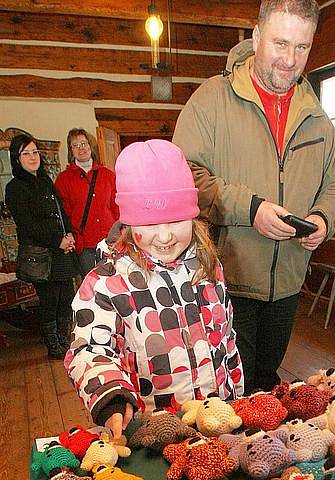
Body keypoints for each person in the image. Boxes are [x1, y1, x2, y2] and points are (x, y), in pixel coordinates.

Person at [173, 0, 335, 393]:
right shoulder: (210, 99)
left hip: (288, 282)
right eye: (280, 44)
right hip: (225, 278)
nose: (290, 60)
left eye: (302, 47)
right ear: (256, 38)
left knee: (266, 385)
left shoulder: (316, 114)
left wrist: (323, 218)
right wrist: (249, 209)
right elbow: (185, 176)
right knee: (226, 392)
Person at [65, 139, 244, 440]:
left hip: (218, 420)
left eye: (175, 220)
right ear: (130, 222)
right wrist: (112, 397)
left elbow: (226, 342)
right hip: (154, 431)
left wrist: (237, 399)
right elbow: (90, 351)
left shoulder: (209, 268)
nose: (164, 236)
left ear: (192, 215)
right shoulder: (106, 283)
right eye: (148, 224)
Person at [5, 133, 76, 359]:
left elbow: (60, 212)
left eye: (34, 152)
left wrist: (70, 234)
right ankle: (53, 346)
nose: (32, 157)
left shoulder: (45, 180)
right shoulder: (15, 188)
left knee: (66, 296)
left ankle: (64, 341)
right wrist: (58, 240)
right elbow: (28, 225)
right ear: (17, 159)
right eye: (26, 153)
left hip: (61, 251)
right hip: (42, 254)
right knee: (50, 300)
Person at [55, 128, 119, 278]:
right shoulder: (64, 179)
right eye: (75, 145)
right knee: (92, 286)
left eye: (83, 143)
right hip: (85, 246)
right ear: (71, 150)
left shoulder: (108, 175)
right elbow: (63, 214)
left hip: (110, 242)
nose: (81, 148)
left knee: (115, 284)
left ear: (90, 146)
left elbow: (117, 209)